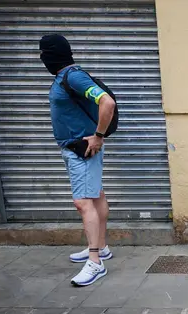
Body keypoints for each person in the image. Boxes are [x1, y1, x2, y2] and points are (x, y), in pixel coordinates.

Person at [40, 34, 117, 287]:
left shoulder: (73, 77)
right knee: (96, 195)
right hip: (75, 148)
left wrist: (98, 136)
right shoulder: (65, 77)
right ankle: (101, 247)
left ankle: (95, 262)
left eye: (45, 53)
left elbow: (107, 102)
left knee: (83, 202)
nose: (42, 58)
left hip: (82, 150)